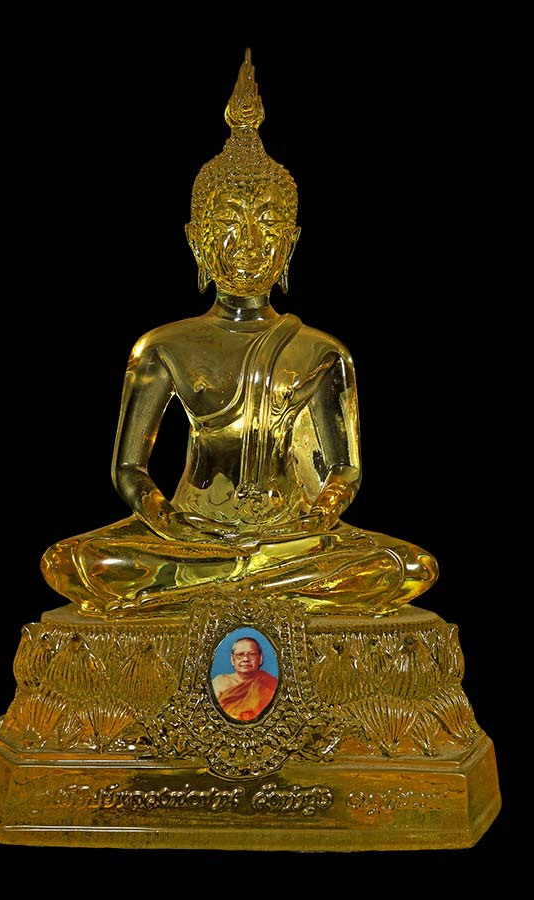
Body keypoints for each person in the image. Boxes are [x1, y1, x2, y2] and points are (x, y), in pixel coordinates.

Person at [41, 50, 438, 619]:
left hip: (290, 537)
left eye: (268, 223)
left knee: (407, 567)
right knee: (72, 561)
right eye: (230, 222)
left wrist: (320, 514)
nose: (250, 241)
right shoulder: (163, 347)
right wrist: (167, 521)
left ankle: (220, 583)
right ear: (196, 240)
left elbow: (344, 470)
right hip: (192, 534)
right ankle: (244, 579)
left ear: (292, 242)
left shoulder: (322, 352)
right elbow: (129, 469)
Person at [212, 637, 277, 721]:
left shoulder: (270, 683)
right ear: (232, 659)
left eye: (252, 654)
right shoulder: (219, 682)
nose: (245, 659)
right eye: (240, 655)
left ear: (260, 658)